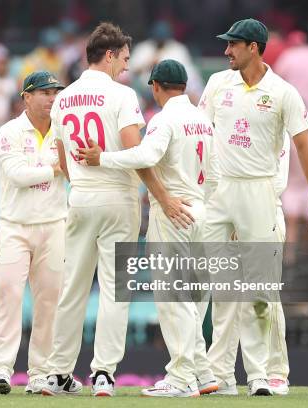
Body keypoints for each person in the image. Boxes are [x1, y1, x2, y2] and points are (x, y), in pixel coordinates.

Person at [198, 18, 308, 396]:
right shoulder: (217, 84)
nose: (226, 51)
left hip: (259, 192)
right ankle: (221, 374)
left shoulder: (283, 92)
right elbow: (201, 137)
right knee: (222, 288)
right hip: (220, 192)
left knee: (259, 290)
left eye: (233, 45)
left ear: (254, 47)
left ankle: (269, 373)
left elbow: (305, 149)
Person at [77, 59, 218, 397]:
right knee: (191, 298)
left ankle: (181, 378)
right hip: (200, 208)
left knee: (173, 296)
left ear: (155, 86)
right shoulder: (203, 120)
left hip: (172, 211)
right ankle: (203, 371)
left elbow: (144, 156)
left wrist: (104, 159)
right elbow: (215, 172)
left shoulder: (164, 119)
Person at [41, 22, 161, 397]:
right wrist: (161, 194)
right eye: (124, 58)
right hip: (117, 198)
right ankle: (104, 373)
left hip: (79, 198)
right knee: (114, 290)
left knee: (72, 288)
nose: (126, 66)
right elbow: (135, 153)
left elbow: (61, 158)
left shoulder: (63, 97)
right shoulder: (122, 95)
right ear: (109, 55)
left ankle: (58, 372)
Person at [0, 71, 66, 395]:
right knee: (9, 296)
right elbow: (17, 175)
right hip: (15, 226)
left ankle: (40, 373)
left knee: (49, 302)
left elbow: (77, 167)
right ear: (27, 97)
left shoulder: (64, 131)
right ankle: (1, 371)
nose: (51, 98)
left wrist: (58, 167)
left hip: (54, 224)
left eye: (54, 93)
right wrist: (54, 168)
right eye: (44, 93)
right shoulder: (9, 132)